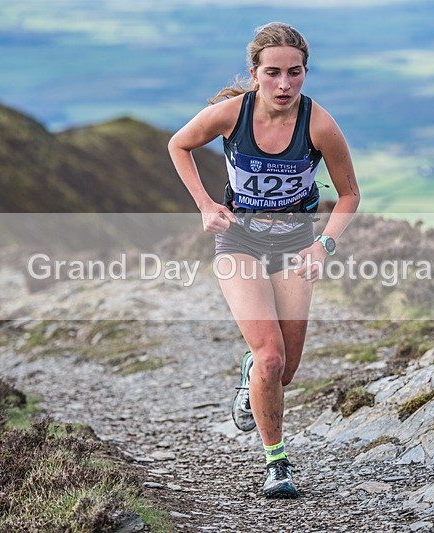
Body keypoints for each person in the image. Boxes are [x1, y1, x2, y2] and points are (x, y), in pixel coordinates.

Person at [168, 22, 360, 498]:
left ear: (305, 72)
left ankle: (250, 374)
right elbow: (179, 144)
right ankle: (277, 464)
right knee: (270, 357)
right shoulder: (231, 114)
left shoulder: (318, 124)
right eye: (272, 73)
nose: (284, 85)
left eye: (294, 73)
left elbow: (351, 195)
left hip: (296, 245)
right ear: (255, 73)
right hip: (240, 244)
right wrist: (206, 205)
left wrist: (324, 245)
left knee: (285, 368)